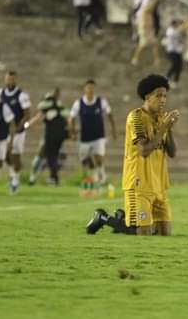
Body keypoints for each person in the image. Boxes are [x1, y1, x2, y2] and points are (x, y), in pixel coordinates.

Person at [86, 75, 179, 236]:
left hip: (158, 184)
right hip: (139, 183)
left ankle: (123, 218)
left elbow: (172, 152)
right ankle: (103, 218)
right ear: (147, 96)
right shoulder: (136, 117)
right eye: (158, 95)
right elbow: (144, 150)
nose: (163, 99)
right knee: (144, 232)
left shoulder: (161, 119)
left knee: (165, 232)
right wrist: (163, 128)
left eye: (165, 95)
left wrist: (168, 128)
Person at [68, 79, 118, 185]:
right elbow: (71, 118)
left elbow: (110, 115)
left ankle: (101, 175)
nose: (90, 90)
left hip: (99, 135)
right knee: (85, 160)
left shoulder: (101, 102)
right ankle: (95, 173)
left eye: (92, 88)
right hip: (85, 136)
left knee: (98, 157)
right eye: (88, 88)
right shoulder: (79, 103)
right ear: (84, 89)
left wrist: (113, 130)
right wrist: (72, 132)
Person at [24, 90, 69, 186]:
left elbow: (37, 118)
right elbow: (67, 121)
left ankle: (37, 177)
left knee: (47, 156)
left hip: (50, 136)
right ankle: (51, 177)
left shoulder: (49, 109)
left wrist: (26, 125)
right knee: (52, 157)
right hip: (59, 137)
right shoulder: (59, 110)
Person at [0, 71, 32, 194]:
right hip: (4, 130)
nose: (10, 81)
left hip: (18, 131)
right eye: (8, 79)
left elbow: (27, 114)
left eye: (12, 79)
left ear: (16, 80)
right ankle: (13, 176)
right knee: (6, 155)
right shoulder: (0, 93)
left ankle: (16, 181)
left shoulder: (22, 95)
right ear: (5, 80)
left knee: (15, 155)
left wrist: (19, 127)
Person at [130, 0, 162, 66]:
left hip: (149, 27)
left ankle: (156, 59)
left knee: (154, 43)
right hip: (144, 27)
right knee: (143, 44)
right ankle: (135, 58)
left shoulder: (149, 3)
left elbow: (152, 8)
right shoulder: (146, 3)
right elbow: (149, 8)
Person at [164, 19, 188, 86]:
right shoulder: (170, 31)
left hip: (178, 50)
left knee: (179, 66)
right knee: (174, 65)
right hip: (172, 50)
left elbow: (182, 37)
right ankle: (166, 78)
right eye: (177, 24)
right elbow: (178, 34)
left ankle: (175, 81)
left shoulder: (176, 31)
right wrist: (184, 28)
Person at [0, 93, 16, 176]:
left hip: (2, 137)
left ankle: (13, 176)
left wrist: (11, 140)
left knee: (1, 161)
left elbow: (12, 124)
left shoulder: (4, 108)